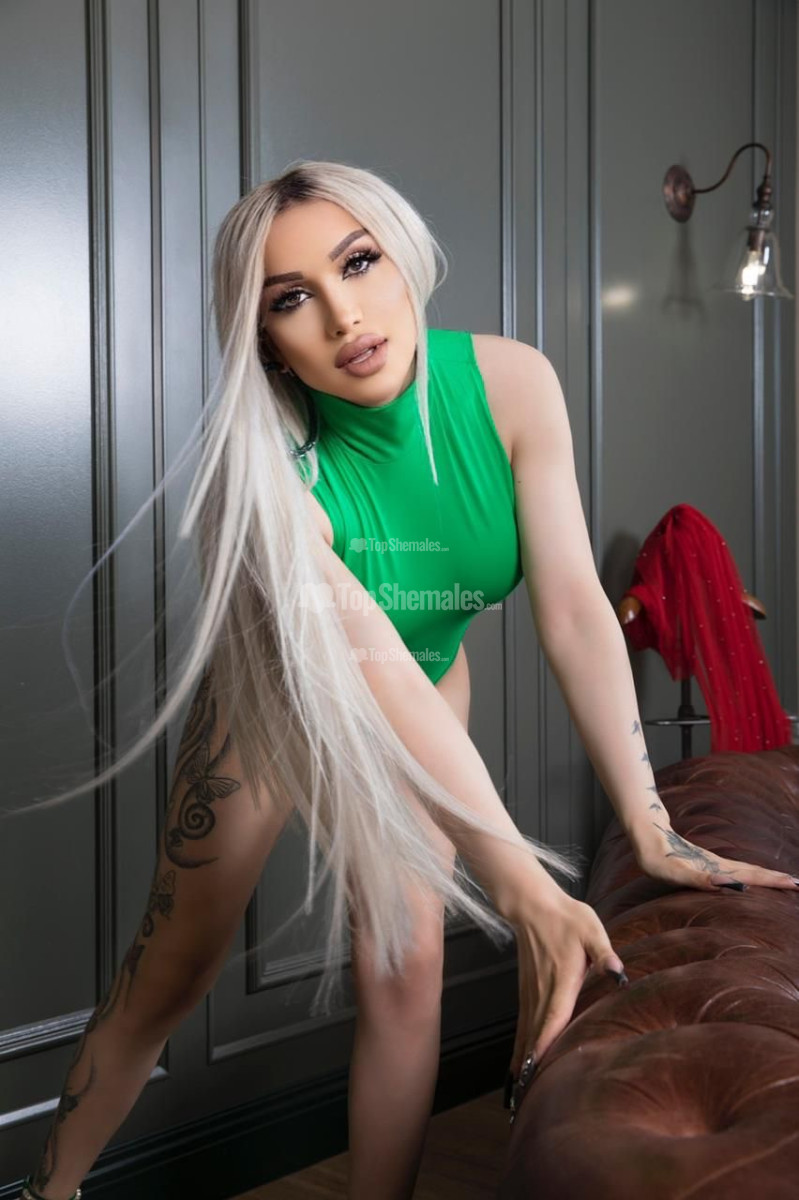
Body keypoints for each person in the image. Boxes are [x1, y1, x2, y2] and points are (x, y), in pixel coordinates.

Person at [18, 160, 799, 1200]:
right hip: (272, 708)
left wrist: (648, 823)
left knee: (406, 968)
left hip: (426, 681)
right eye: (291, 298)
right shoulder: (266, 474)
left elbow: (573, 610)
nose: (344, 315)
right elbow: (364, 662)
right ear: (266, 341)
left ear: (402, 258)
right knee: (166, 978)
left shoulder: (512, 384)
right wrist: (523, 886)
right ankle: (52, 1190)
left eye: (357, 264)